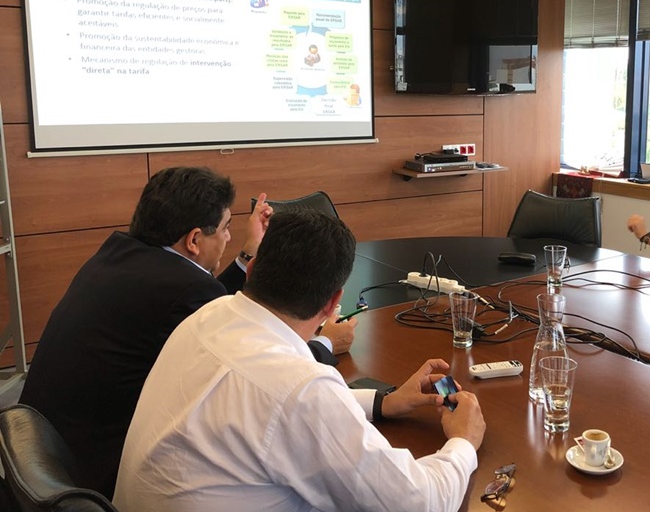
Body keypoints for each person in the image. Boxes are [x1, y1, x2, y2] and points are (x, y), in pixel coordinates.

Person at [113, 211, 486, 512]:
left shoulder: (209, 315)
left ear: (252, 269)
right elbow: (418, 503)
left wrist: (383, 402)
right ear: (333, 302)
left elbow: (266, 409)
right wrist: (463, 443)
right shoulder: (298, 389)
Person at [17, 167, 355, 499]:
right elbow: (255, 372)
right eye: (225, 228)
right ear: (194, 240)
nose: (228, 237)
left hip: (43, 458)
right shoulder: (184, 291)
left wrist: (248, 253)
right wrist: (324, 343)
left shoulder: (119, 256)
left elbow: (208, 306)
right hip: (98, 476)